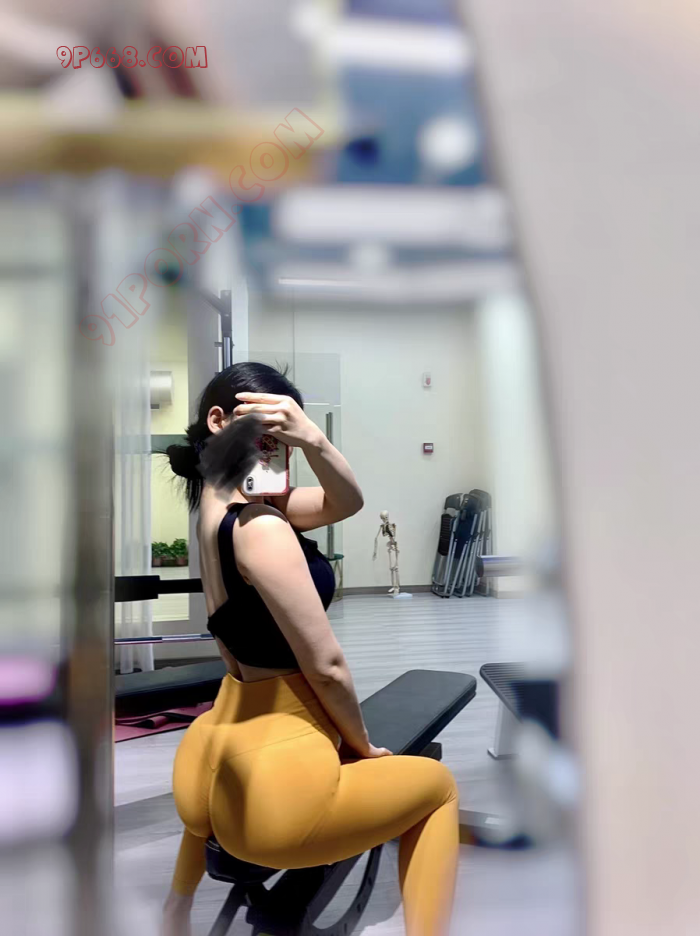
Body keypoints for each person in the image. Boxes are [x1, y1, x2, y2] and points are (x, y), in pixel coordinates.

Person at [162, 362, 459, 936]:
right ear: (218, 421)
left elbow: (346, 501)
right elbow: (327, 668)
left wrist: (314, 439)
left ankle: (175, 911)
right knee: (437, 788)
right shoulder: (262, 527)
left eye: (285, 438)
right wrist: (361, 746)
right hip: (278, 782)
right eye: (269, 436)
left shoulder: (215, 513)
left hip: (211, 757)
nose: (280, 452)